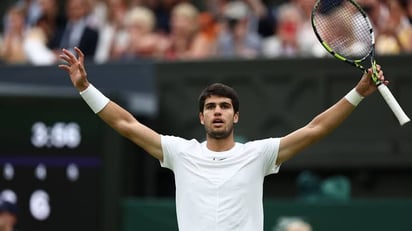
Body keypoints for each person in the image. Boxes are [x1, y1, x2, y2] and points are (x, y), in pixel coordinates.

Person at [58, 47, 387, 231]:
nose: (218, 112)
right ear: (202, 117)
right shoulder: (179, 152)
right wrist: (85, 87)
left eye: (225, 107)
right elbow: (127, 123)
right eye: (211, 107)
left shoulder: (259, 154)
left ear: (236, 116)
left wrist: (358, 92)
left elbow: (316, 128)